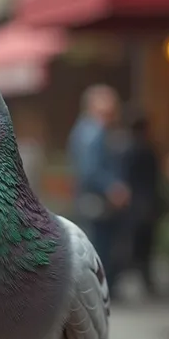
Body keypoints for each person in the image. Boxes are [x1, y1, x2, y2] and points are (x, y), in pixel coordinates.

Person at [68, 85, 130, 297]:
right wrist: (112, 187)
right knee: (99, 246)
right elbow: (90, 169)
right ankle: (97, 292)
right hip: (95, 201)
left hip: (90, 199)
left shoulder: (86, 129)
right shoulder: (93, 131)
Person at [123, 110, 161, 296]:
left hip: (135, 203)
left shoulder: (128, 149)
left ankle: (141, 279)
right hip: (147, 202)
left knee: (137, 244)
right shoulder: (147, 149)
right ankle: (146, 280)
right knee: (146, 245)